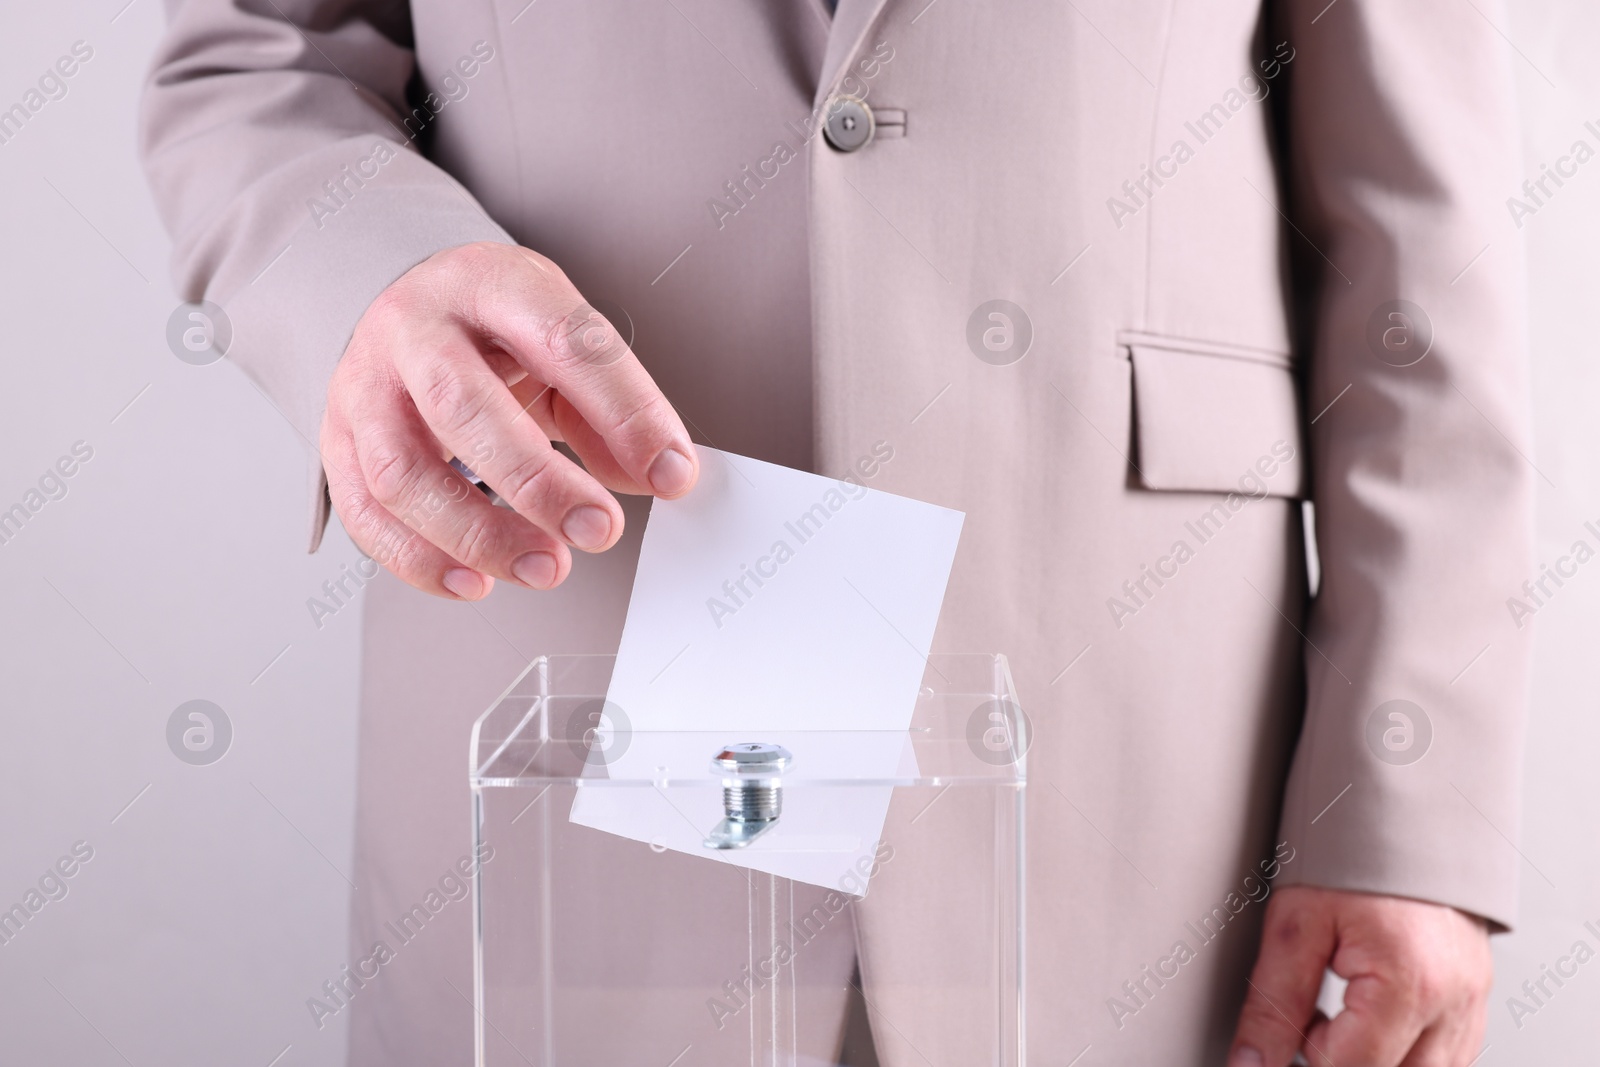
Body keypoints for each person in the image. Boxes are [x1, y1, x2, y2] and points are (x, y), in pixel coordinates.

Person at [141, 1, 1532, 1064]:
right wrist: (364, 274)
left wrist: (1413, 804)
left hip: (1130, 758)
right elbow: (264, 54)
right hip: (576, 677)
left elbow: (1423, 245)